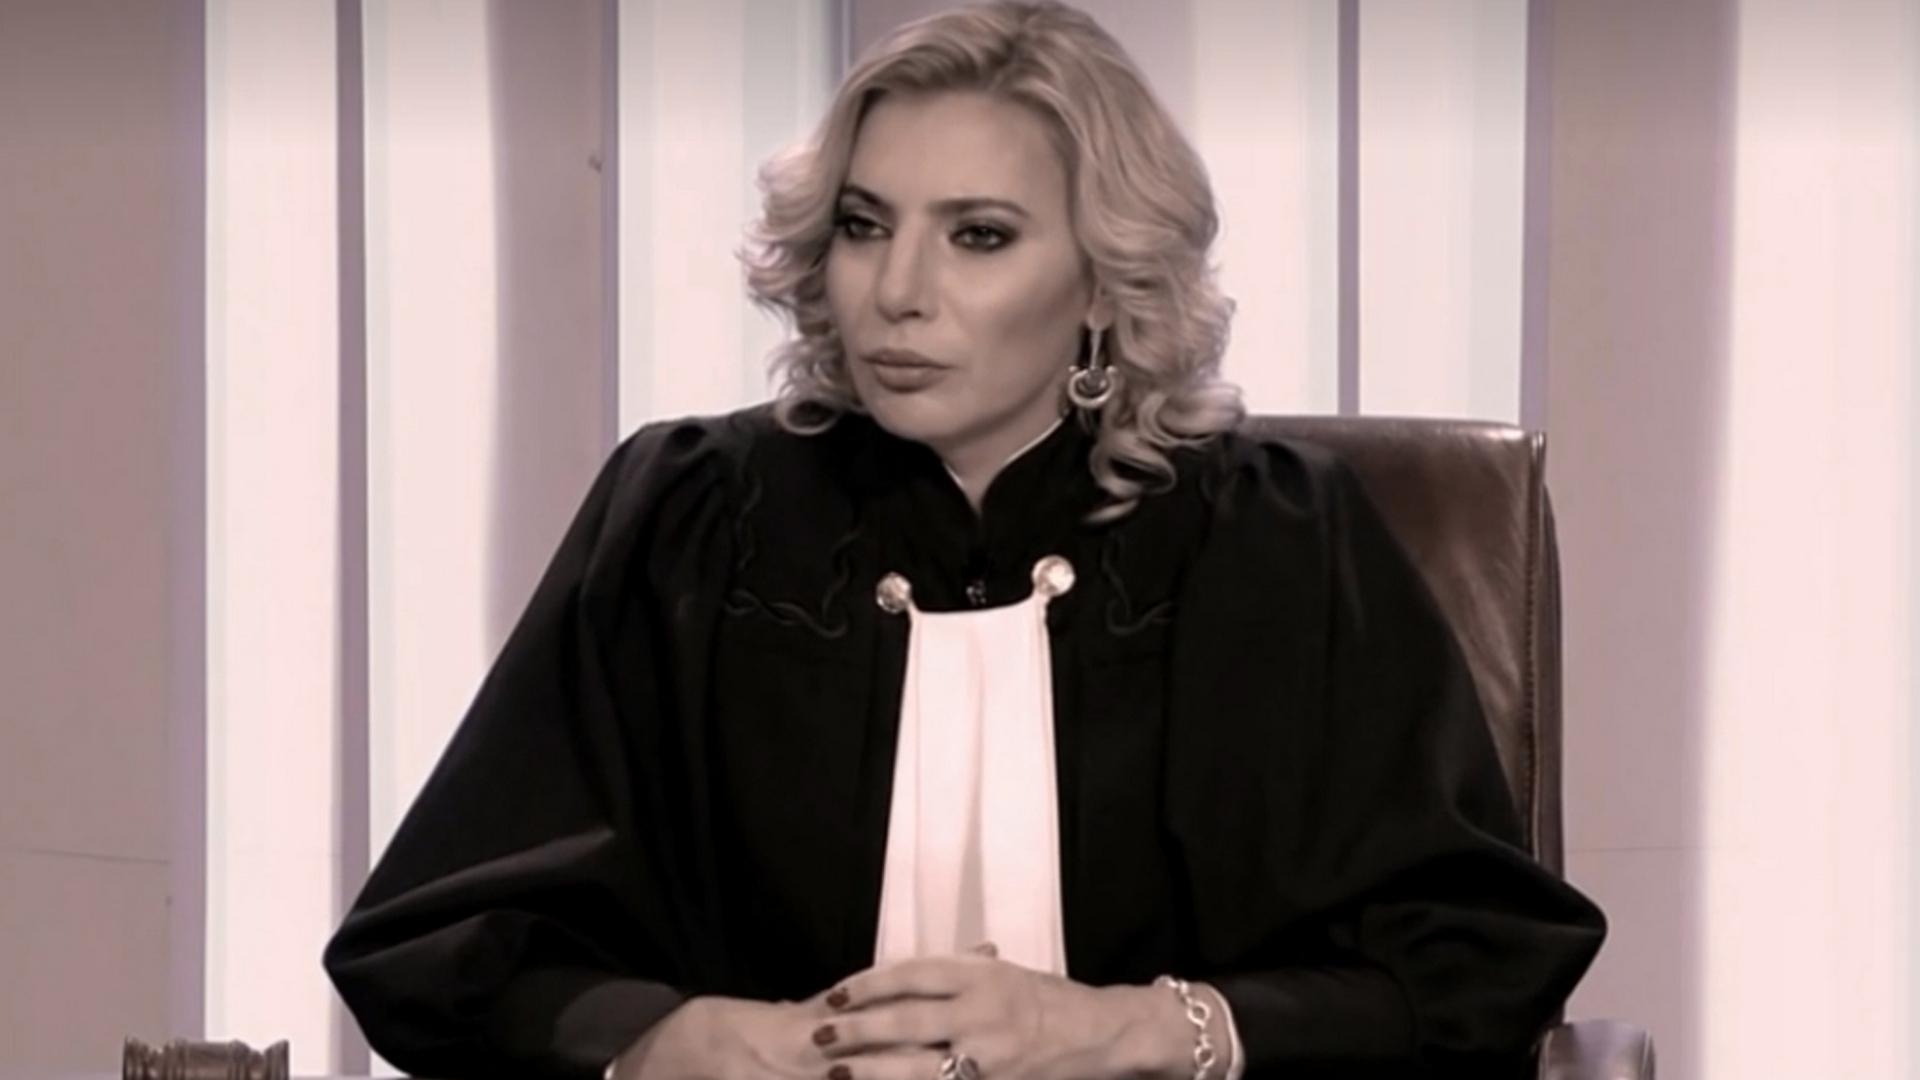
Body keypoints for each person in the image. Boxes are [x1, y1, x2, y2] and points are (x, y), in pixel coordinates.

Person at [323, 3, 1605, 1078]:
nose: (897, 292)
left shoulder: (1276, 537)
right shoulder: (693, 515)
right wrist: (659, 1038)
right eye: (864, 226)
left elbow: (1478, 960)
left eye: (978, 236)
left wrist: (1141, 1032)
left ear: (1103, 277)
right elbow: (438, 942)